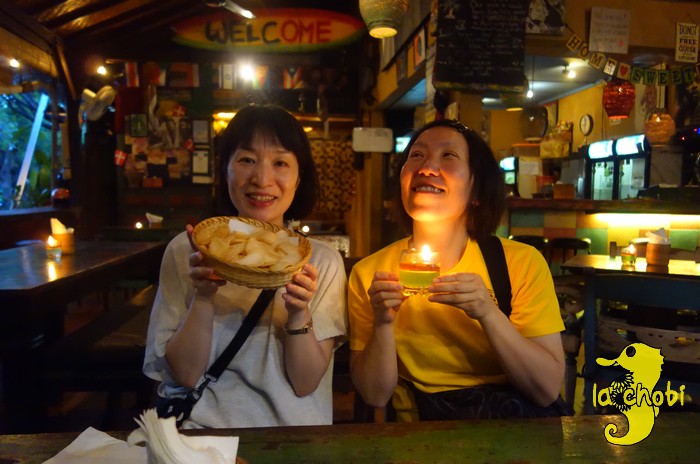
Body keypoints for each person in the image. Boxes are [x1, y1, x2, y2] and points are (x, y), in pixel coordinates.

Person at [348, 119, 568, 422]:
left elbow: (545, 390)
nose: (427, 167)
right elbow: (374, 395)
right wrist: (383, 324)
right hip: (419, 430)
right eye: (416, 155)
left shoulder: (520, 263)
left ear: (477, 190)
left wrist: (488, 312)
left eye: (448, 156)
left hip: (512, 426)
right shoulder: (370, 274)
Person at [144, 103, 347, 429]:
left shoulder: (321, 262)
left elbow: (305, 383)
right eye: (247, 160)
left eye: (280, 163)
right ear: (225, 169)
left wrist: (298, 312)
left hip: (289, 435)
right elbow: (185, 375)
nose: (262, 179)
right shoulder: (188, 250)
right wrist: (204, 297)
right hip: (200, 433)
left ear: (299, 177)